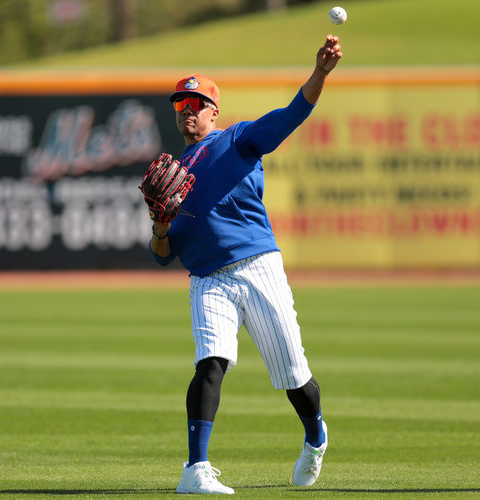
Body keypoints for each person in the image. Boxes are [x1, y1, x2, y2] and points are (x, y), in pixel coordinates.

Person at [148, 35, 343, 495]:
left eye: (197, 102)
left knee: (295, 376)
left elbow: (293, 114)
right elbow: (162, 255)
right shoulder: (171, 178)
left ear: (214, 111)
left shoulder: (238, 139)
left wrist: (320, 73)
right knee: (210, 363)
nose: (187, 110)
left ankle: (315, 435)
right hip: (207, 280)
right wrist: (159, 224)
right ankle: (195, 469)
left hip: (257, 267)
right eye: (181, 103)